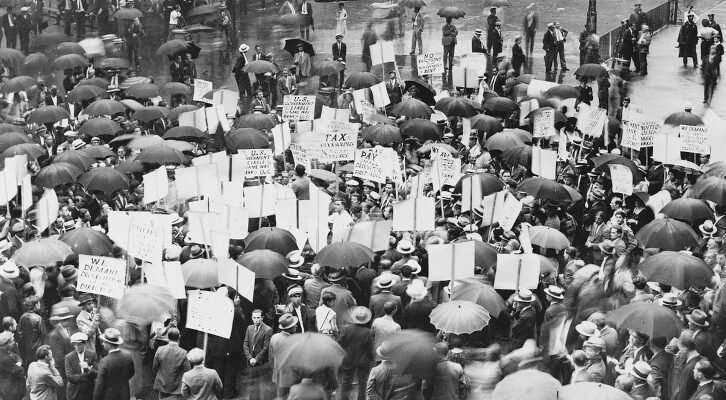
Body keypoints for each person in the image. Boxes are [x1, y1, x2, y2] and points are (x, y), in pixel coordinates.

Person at [338, 307, 373, 400]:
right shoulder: (368, 332)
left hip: (348, 359)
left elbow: (340, 343)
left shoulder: (346, 329)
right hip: (363, 360)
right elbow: (370, 348)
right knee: (362, 383)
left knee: (346, 383)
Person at [93, 328, 135, 400]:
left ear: (109, 344)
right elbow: (132, 373)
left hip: (109, 396)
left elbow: (99, 384)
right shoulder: (128, 355)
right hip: (124, 394)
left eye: (104, 342)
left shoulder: (104, 361)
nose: (103, 344)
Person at [151, 328, 189, 399]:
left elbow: (154, 368)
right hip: (177, 387)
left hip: (162, 385)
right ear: (179, 337)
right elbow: (188, 371)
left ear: (168, 337)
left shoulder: (160, 350)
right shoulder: (183, 352)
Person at [243, 309, 272, 400]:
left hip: (262, 362)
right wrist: (250, 358)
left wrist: (256, 359)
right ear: (252, 318)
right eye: (254, 318)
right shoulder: (249, 328)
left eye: (258, 318)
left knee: (263, 386)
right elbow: (245, 344)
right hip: (251, 362)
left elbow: (266, 348)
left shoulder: (268, 330)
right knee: (252, 385)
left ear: (262, 318)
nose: (256, 320)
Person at [270, 313, 297, 398]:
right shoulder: (293, 341)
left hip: (277, 372)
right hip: (290, 375)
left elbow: (270, 357)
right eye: (294, 325)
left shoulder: (274, 337)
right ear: (290, 328)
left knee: (280, 395)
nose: (296, 326)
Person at [65, 332, 97, 400]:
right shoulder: (68, 357)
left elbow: (97, 374)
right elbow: (70, 378)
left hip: (89, 392)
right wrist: (87, 375)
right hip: (74, 393)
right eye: (74, 345)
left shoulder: (92, 354)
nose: (77, 347)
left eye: (79, 345)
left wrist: (88, 369)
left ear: (85, 344)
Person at [0, 331, 25, 400]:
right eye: (11, 342)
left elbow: (17, 356)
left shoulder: (5, 351)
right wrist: (20, 365)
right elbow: (20, 370)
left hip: (8, 386)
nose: (14, 343)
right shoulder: (4, 358)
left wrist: (19, 363)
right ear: (5, 344)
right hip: (11, 389)